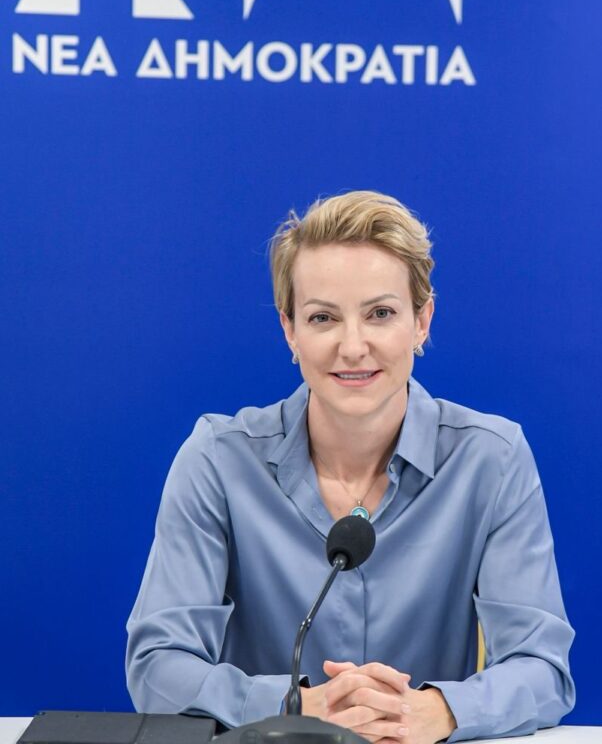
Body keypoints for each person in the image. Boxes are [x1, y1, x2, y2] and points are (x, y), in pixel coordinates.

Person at [126, 190, 575, 743]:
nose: (353, 346)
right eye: (323, 318)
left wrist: (439, 711)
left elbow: (542, 668)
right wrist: (294, 707)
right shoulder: (218, 461)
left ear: (422, 321)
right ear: (290, 330)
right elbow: (157, 665)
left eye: (380, 314)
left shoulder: (492, 459)